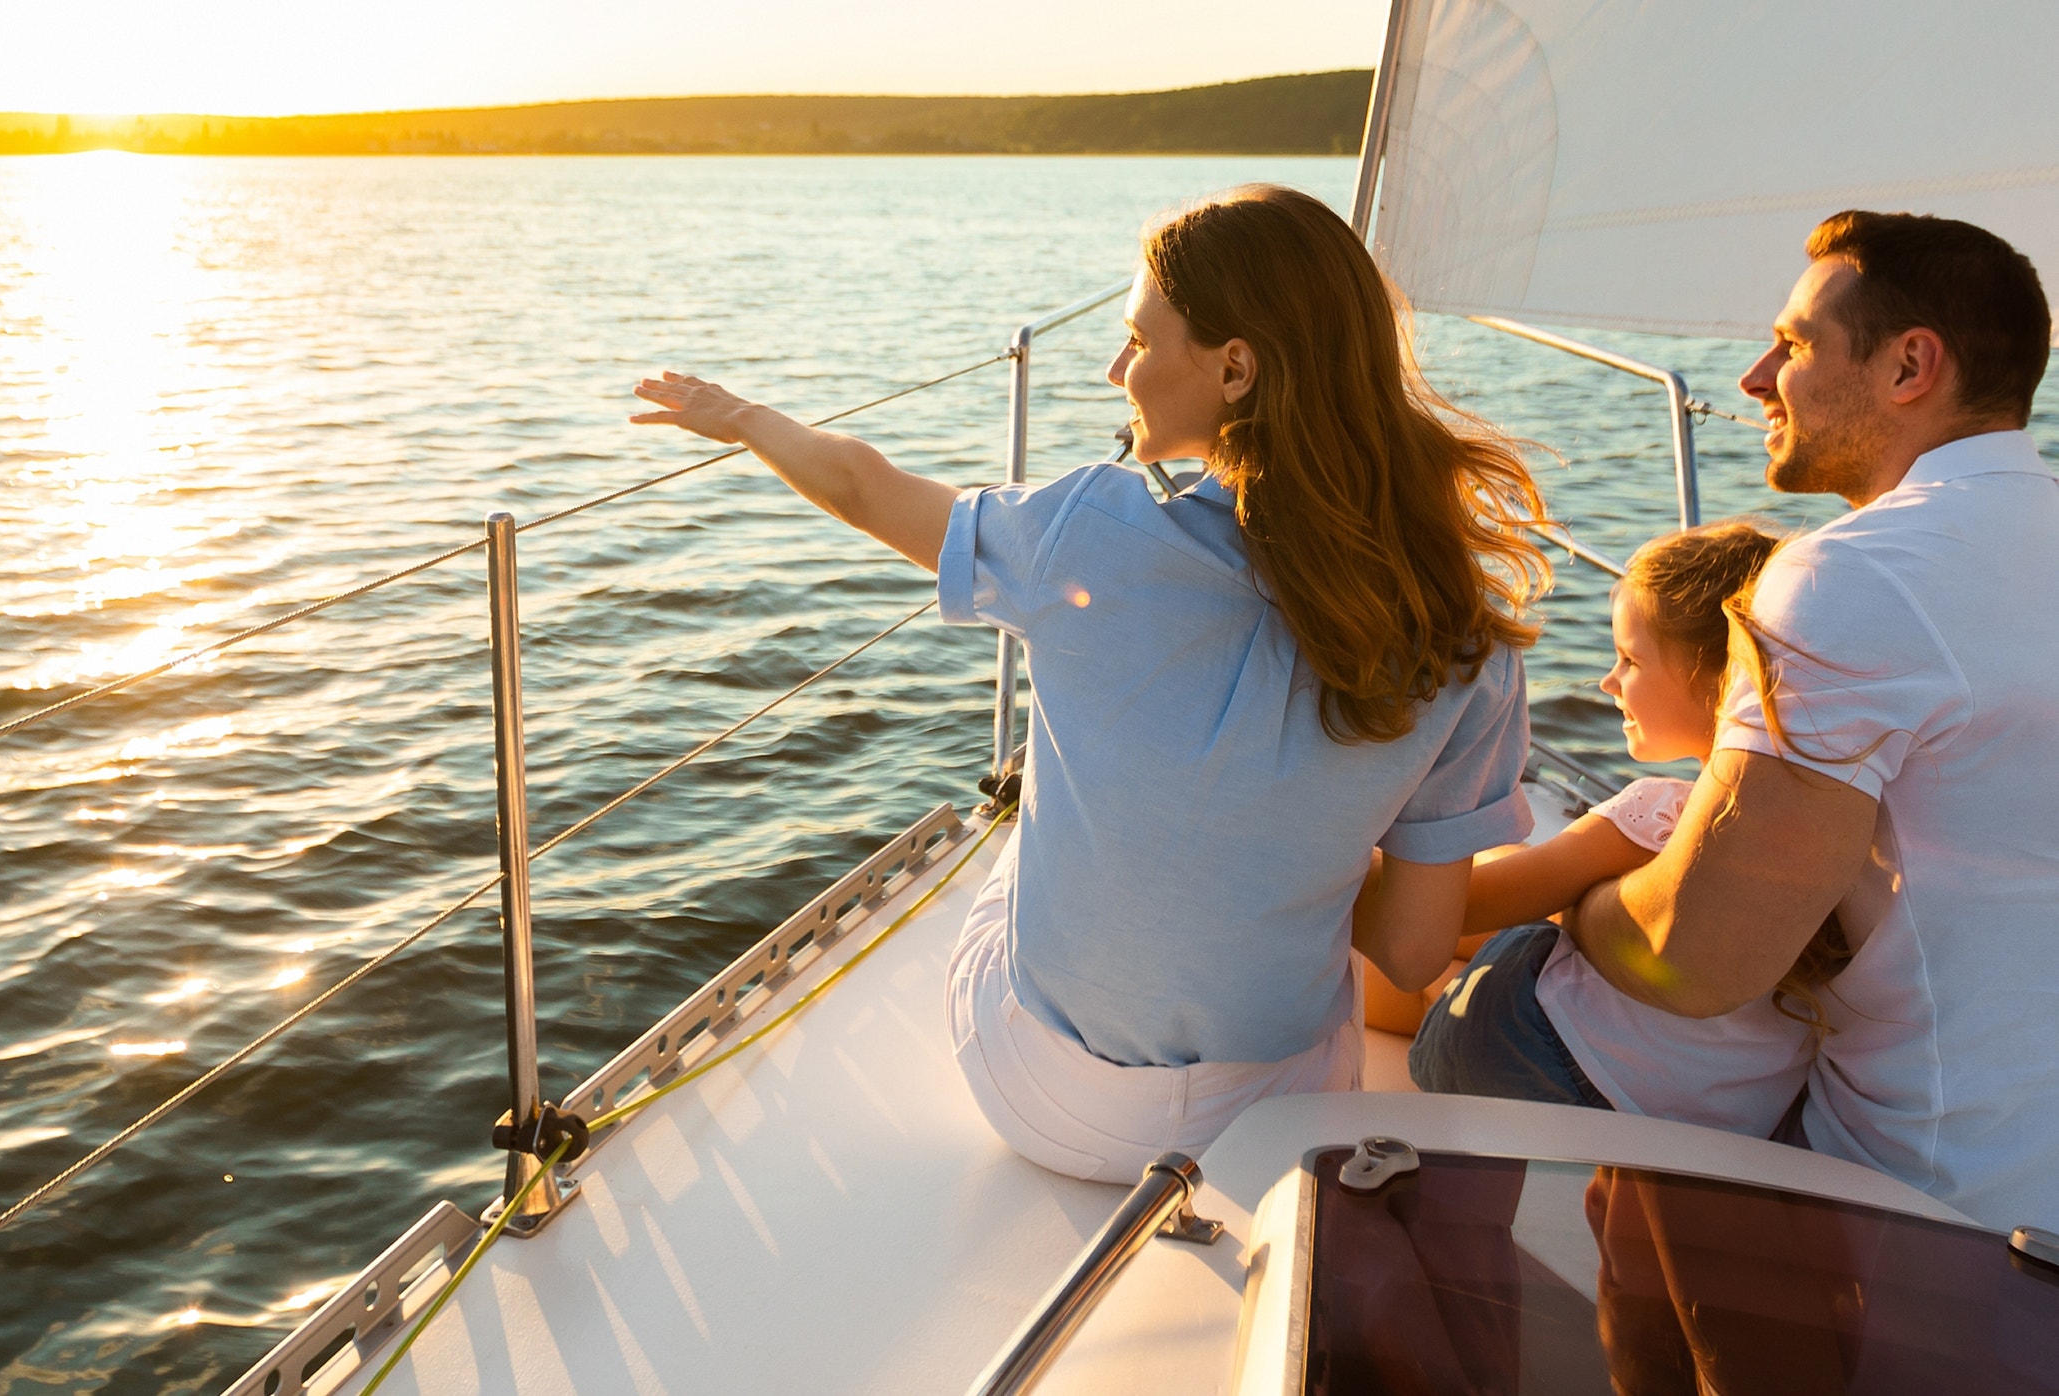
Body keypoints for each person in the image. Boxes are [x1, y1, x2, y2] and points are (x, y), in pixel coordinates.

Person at [632, 184, 1549, 1181]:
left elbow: (865, 487)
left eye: (1140, 342)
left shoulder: (1085, 531)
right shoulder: (1467, 643)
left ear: (1235, 368)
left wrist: (746, 418)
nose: (1117, 370)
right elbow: (1415, 957)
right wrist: (1296, 856)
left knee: (1026, 825)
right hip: (1276, 1121)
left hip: (1045, 1097)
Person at [1565, 210, 2059, 1229]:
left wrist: (1577, 904)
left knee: (1500, 1003)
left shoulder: (1854, 574)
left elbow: (1701, 957)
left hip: (1923, 1206)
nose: (1753, 377)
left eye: (1791, 345)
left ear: (1911, 365)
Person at [1409, 521, 1847, 1136]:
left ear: (1718, 682)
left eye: (1630, 660)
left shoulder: (1658, 816)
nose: (1608, 682)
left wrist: (1355, 854)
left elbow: (1456, 908)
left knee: (1469, 953)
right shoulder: (1841, 838)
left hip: (1534, 1066)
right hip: (1724, 1126)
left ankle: (1427, 1013)